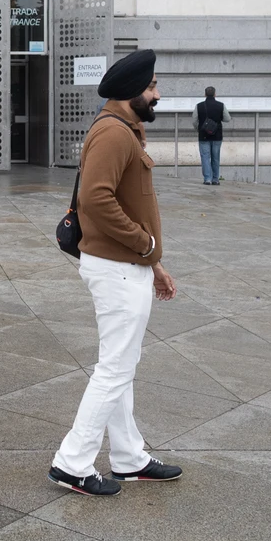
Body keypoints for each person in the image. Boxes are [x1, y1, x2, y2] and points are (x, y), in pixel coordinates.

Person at [48, 49, 183, 497]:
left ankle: (128, 459)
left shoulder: (126, 130)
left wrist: (155, 264)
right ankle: (72, 462)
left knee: (122, 365)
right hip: (117, 268)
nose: (157, 94)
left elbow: (126, 201)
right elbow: (97, 201)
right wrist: (145, 244)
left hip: (128, 267)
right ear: (131, 93)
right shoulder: (113, 134)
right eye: (151, 88)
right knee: (114, 369)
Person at [196, 86, 230, 185]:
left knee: (205, 157)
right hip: (217, 135)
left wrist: (198, 128)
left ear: (205, 94)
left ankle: (207, 179)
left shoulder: (199, 106)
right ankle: (215, 179)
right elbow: (227, 118)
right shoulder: (221, 105)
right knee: (216, 157)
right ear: (215, 94)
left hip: (203, 135)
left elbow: (194, 120)